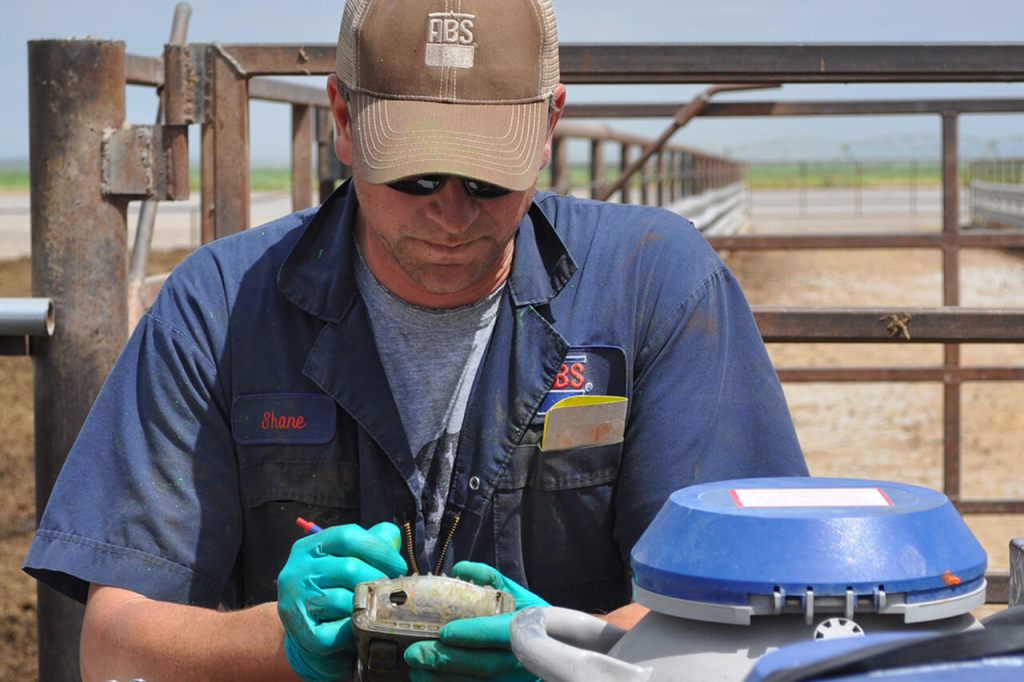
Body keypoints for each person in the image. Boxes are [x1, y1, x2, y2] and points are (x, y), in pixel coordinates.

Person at [25, 0, 807, 679]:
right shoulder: (222, 307)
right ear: (342, 121)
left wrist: (570, 653)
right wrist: (280, 644)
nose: (453, 214)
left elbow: (755, 611)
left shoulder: (654, 287)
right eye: (417, 178)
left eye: (486, 178)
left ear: (548, 125)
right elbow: (114, 645)